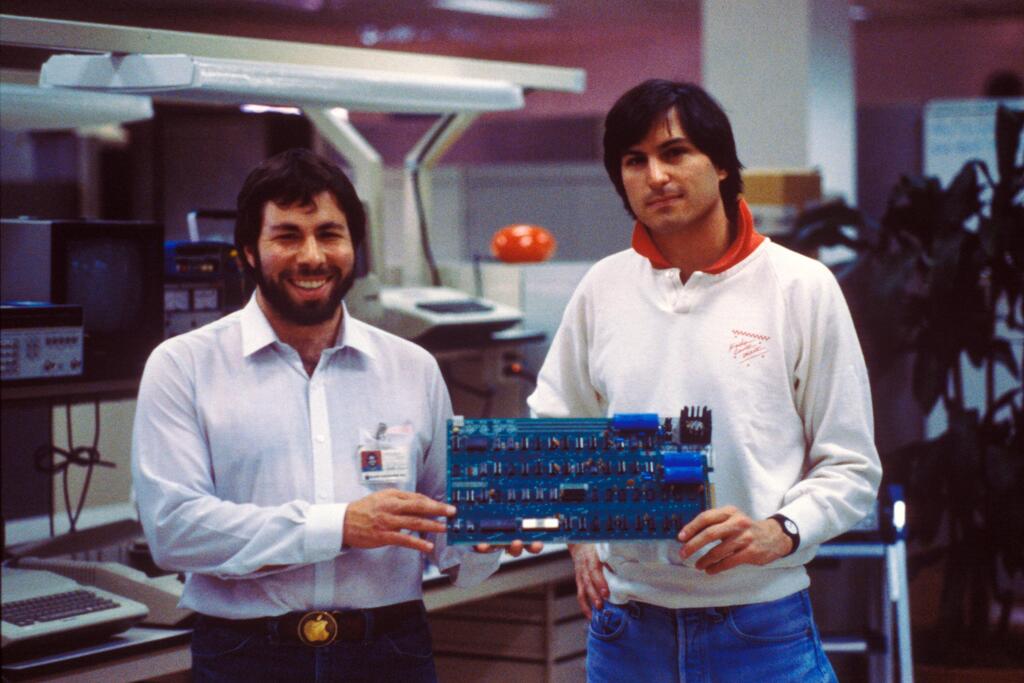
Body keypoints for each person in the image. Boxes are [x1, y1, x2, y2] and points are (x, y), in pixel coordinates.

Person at [132, 148, 536, 682]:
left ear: (353, 247)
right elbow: (174, 529)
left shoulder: (411, 367)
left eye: (329, 233)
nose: (312, 256)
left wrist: (481, 531)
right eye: (287, 236)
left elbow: (438, 511)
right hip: (247, 657)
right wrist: (340, 525)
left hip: (390, 651)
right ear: (248, 252)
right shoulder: (184, 366)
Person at [527, 80, 882, 681]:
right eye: (634, 161)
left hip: (761, 628)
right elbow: (555, 430)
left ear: (720, 164)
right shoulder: (602, 288)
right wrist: (580, 537)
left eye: (675, 152)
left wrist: (780, 531)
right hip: (626, 630)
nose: (656, 175)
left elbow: (851, 467)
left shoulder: (800, 286)